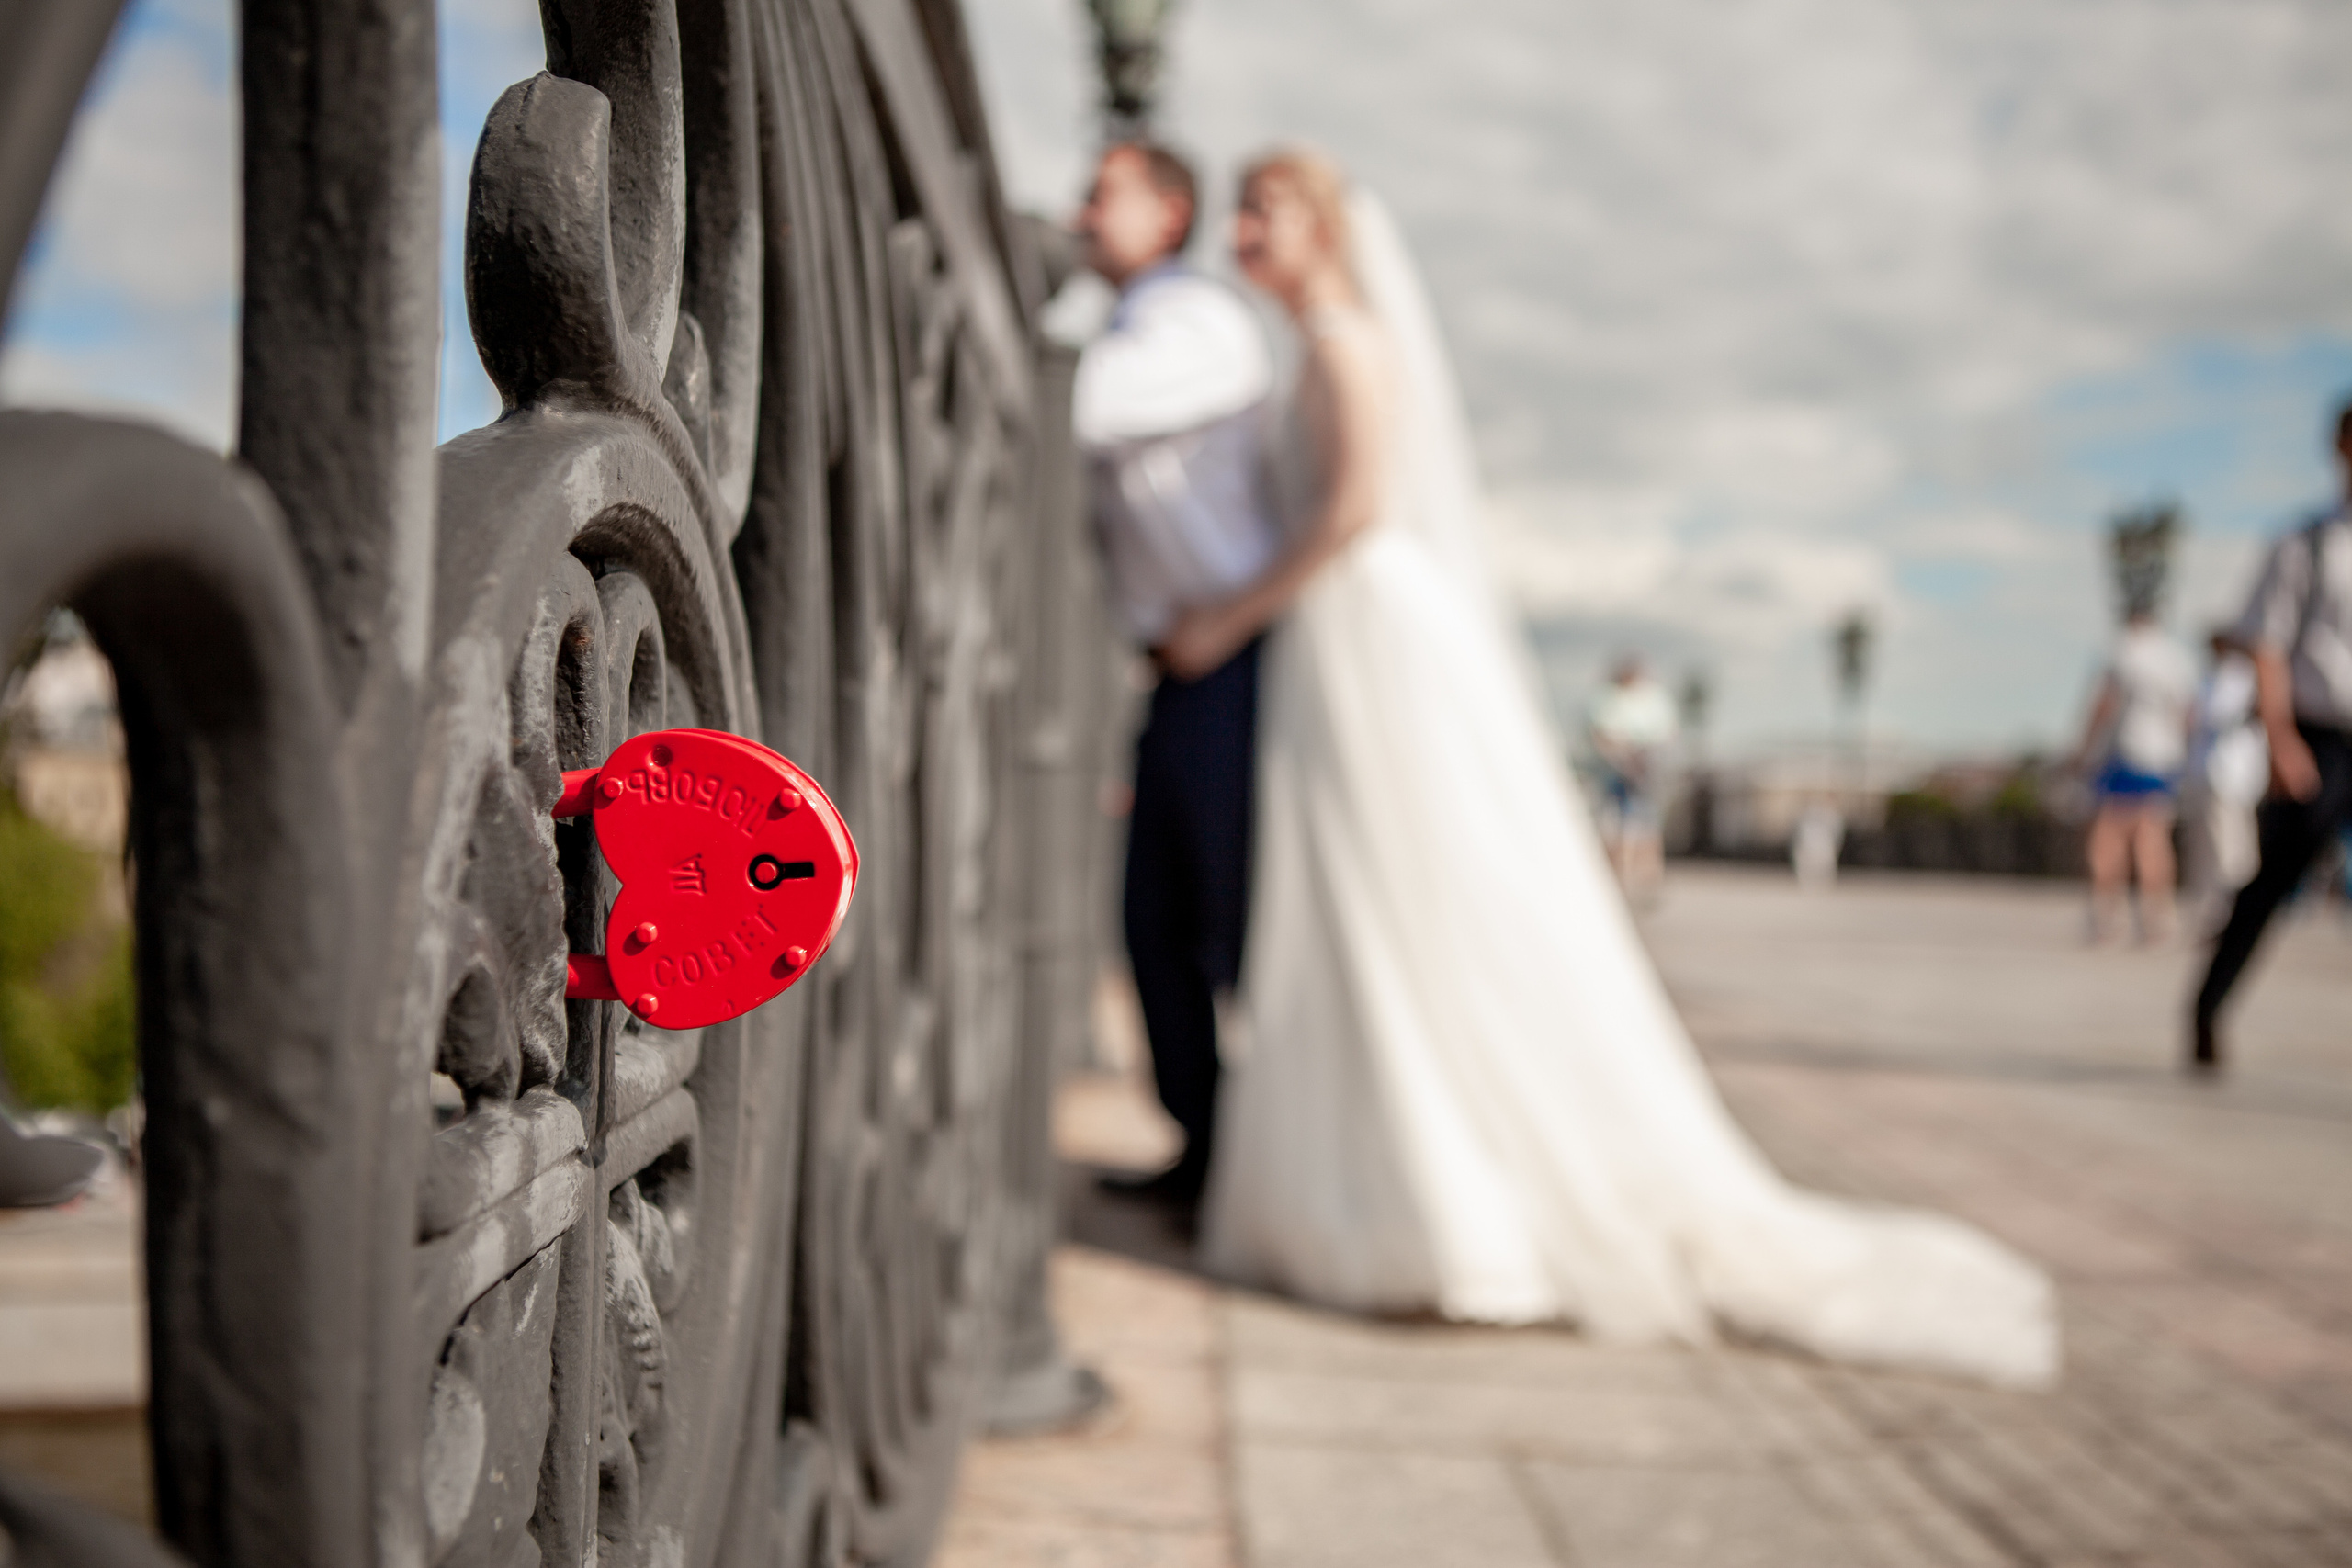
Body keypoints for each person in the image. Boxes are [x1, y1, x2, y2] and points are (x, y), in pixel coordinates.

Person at [1162, 148, 2055, 1388]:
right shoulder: (1315, 346)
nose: (1242, 227)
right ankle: (1378, 1193)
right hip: (1337, 643)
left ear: (1322, 227)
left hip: (1364, 631)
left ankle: (1446, 1209)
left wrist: (1227, 612)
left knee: (1411, 900)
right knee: (1362, 907)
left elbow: (1354, 508)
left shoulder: (1347, 343)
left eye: (1264, 207)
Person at [1073, 142, 1279, 1204]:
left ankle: (1250, 1159)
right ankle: (1206, 1147)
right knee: (1154, 920)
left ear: (1167, 214)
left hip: (1237, 665)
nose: (1079, 211)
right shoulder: (1137, 325)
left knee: (1224, 919)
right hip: (1180, 671)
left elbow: (1088, 410)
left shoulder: (1199, 322)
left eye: (1102, 193)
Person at [2190, 400, 2352, 1074]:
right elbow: (2268, 648)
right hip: (2320, 737)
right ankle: (2207, 1006)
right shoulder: (2306, 544)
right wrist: (2282, 740)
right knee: (2273, 883)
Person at [2070, 607, 2196, 944]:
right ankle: (2158, 918)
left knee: (2108, 836)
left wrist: (2082, 751)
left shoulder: (2123, 650)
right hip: (2163, 759)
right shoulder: (2175, 656)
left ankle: (2106, 916)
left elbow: (2104, 705)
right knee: (2152, 836)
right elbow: (2187, 713)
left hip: (2125, 753)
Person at [2179, 631, 2266, 937]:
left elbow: (2216, 716)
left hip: (2229, 776)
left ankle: (2231, 915)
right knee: (2206, 850)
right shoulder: (2212, 676)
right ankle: (2211, 911)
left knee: (2231, 851)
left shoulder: (2239, 676)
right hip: (2206, 774)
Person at [1587, 655, 1678, 897]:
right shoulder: (1608, 698)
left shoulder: (1654, 698)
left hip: (1646, 773)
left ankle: (1648, 878)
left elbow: (1667, 733)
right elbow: (1600, 734)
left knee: (1646, 826)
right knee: (1615, 826)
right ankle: (1619, 878)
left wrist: (1642, 756)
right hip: (1616, 772)